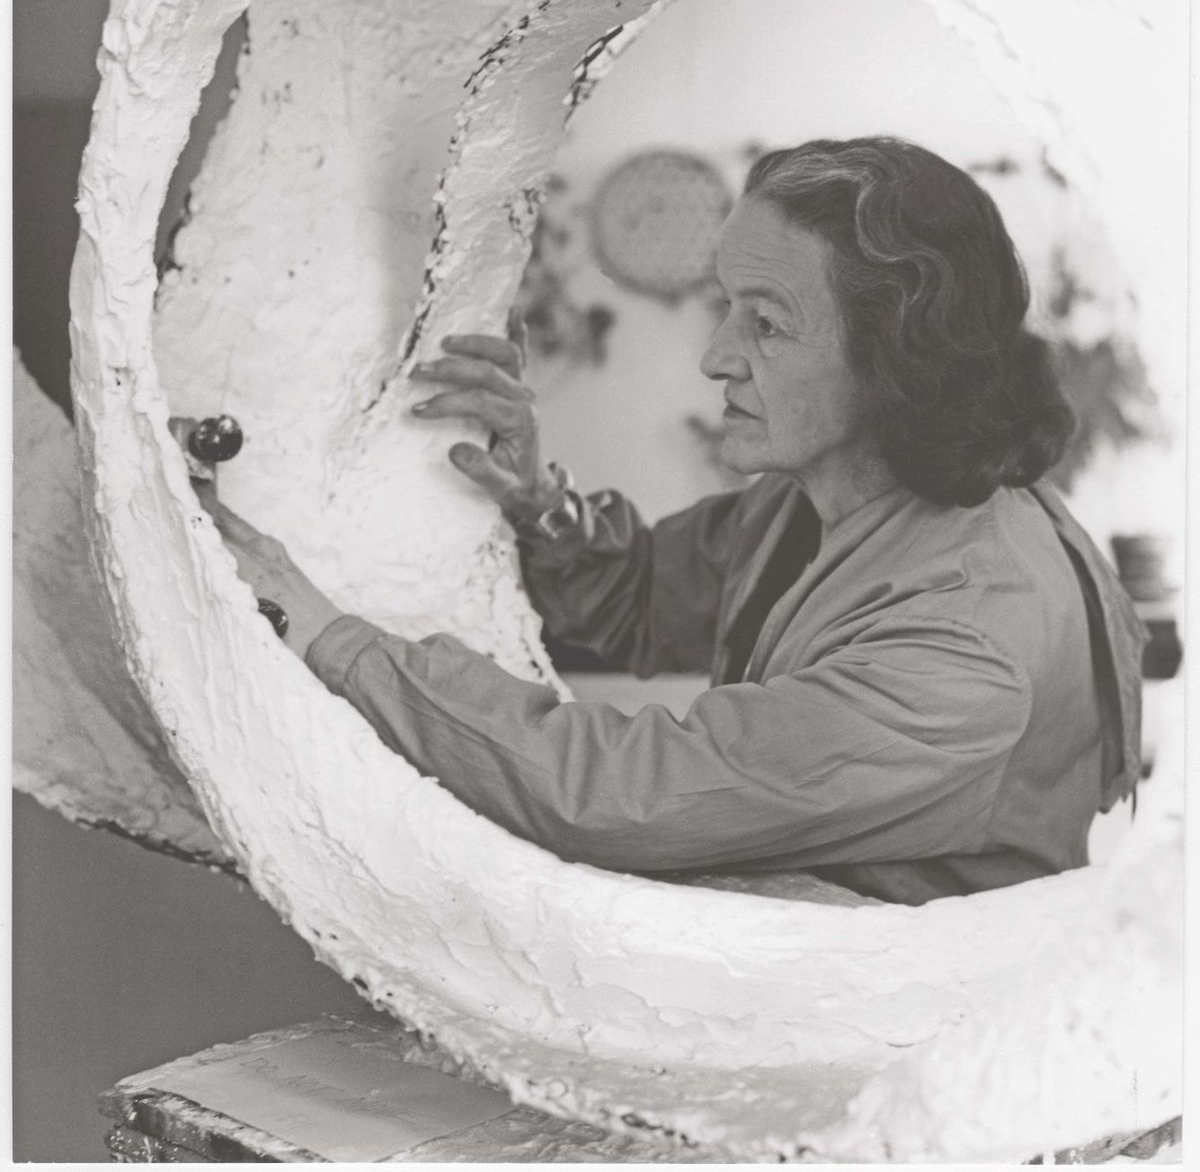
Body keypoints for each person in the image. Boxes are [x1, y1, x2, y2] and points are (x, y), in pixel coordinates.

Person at [201, 136, 1145, 906]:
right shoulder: (819, 495)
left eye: (767, 324)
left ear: (896, 363)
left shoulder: (961, 650)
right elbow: (644, 599)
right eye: (727, 308)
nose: (716, 359)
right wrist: (537, 500)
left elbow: (618, 796)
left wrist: (324, 634)